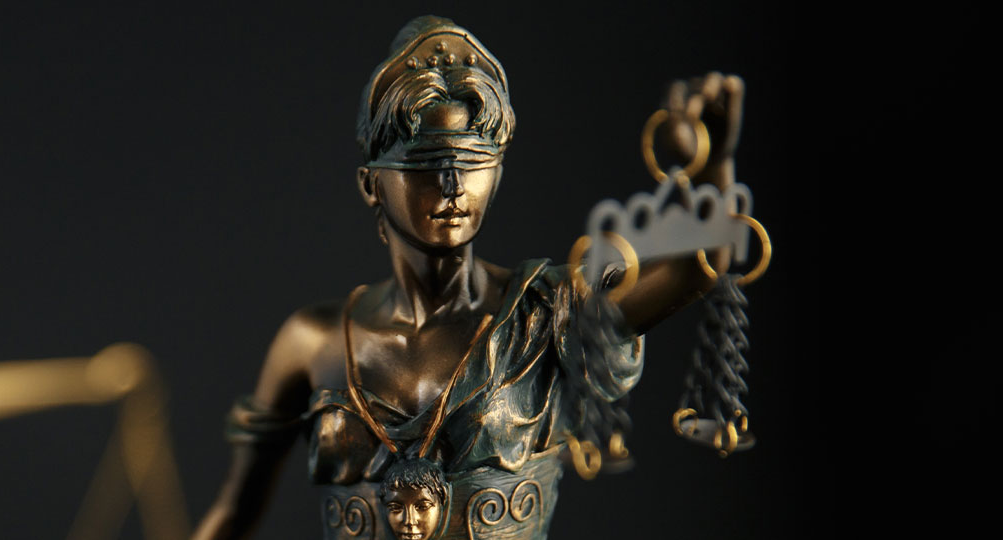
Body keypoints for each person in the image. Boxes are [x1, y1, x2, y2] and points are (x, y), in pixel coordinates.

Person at [193, 15, 743, 540]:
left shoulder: (546, 313)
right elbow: (234, 512)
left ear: (497, 174)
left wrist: (713, 164)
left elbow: (699, 267)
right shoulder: (311, 342)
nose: (454, 186)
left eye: (475, 162)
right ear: (370, 184)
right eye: (427, 164)